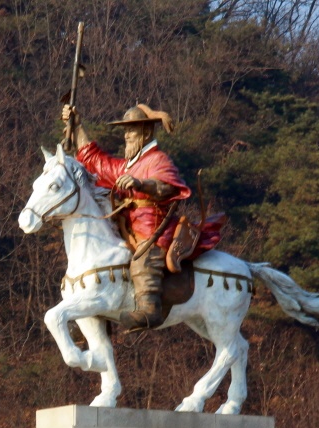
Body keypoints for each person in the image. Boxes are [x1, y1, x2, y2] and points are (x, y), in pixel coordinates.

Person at [61, 103, 210, 331]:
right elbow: (96, 160)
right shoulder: (128, 165)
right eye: (125, 130)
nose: (126, 135)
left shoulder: (158, 160)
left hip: (153, 226)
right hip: (126, 224)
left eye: (132, 130)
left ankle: (150, 309)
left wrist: (141, 183)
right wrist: (78, 125)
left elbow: (167, 187)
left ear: (146, 132)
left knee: (143, 256)